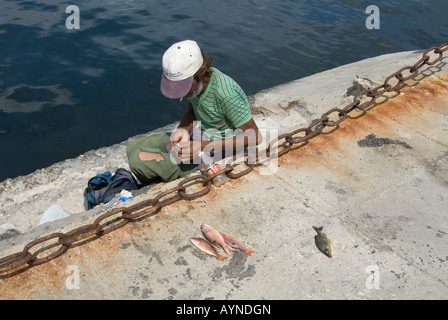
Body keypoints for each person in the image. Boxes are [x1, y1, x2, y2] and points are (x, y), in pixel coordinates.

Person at [127, 40, 261, 186]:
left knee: (137, 161)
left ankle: (172, 173)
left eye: (183, 87)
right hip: (199, 138)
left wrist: (201, 146)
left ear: (200, 73)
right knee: (132, 147)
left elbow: (255, 137)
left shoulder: (226, 94)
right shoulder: (197, 87)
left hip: (219, 151)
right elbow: (192, 113)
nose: (182, 95)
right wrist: (183, 130)